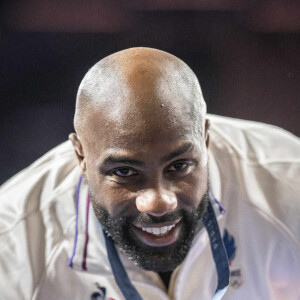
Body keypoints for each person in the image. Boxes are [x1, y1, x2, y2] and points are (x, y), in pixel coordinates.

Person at [0, 47, 299, 300]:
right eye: (125, 171)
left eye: (179, 166)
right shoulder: (14, 247)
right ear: (81, 156)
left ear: (205, 140)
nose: (159, 202)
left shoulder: (289, 185)